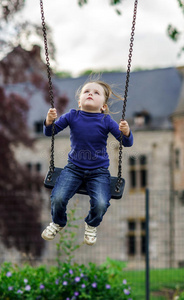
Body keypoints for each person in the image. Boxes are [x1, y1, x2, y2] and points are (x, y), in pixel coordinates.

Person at [41, 80, 133, 245]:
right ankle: (58, 222)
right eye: (86, 91)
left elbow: (126, 143)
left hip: (98, 171)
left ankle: (91, 224)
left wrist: (126, 132)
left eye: (96, 93)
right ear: (79, 102)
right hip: (73, 169)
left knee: (101, 203)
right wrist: (49, 121)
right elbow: (51, 132)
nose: (90, 93)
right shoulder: (72, 115)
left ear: (103, 106)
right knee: (58, 198)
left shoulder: (106, 121)